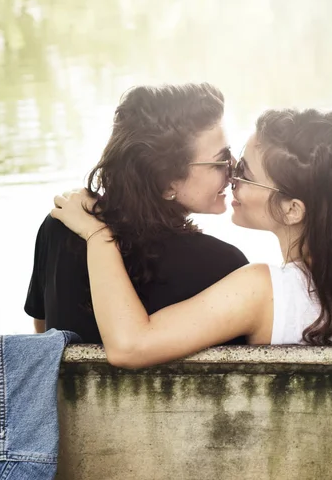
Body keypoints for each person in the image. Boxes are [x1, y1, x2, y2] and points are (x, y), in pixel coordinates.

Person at [51, 108, 332, 367]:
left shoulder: (263, 292)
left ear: (292, 209)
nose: (230, 176)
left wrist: (97, 232)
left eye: (245, 172)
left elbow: (129, 345)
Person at [25, 83, 248, 343]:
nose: (232, 169)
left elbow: (42, 338)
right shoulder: (226, 267)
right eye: (221, 160)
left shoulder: (59, 227)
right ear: (167, 183)